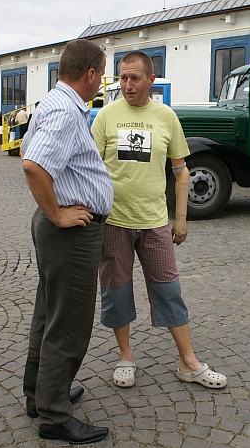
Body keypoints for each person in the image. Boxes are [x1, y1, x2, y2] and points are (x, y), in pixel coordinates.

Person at [92, 51, 228, 390]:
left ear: (151, 79)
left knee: (169, 289)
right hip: (114, 223)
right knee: (117, 290)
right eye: (122, 78)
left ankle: (188, 362)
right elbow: (89, 170)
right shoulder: (106, 117)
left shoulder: (166, 116)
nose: (127, 85)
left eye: (135, 78)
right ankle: (125, 357)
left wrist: (180, 219)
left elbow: (182, 172)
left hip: (154, 223)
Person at [20, 38, 113, 445]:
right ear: (90, 73)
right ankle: (54, 415)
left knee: (49, 314)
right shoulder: (64, 110)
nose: (101, 83)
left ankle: (40, 396)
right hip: (70, 231)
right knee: (69, 324)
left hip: (61, 229)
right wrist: (58, 213)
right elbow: (33, 163)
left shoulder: (53, 104)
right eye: (102, 75)